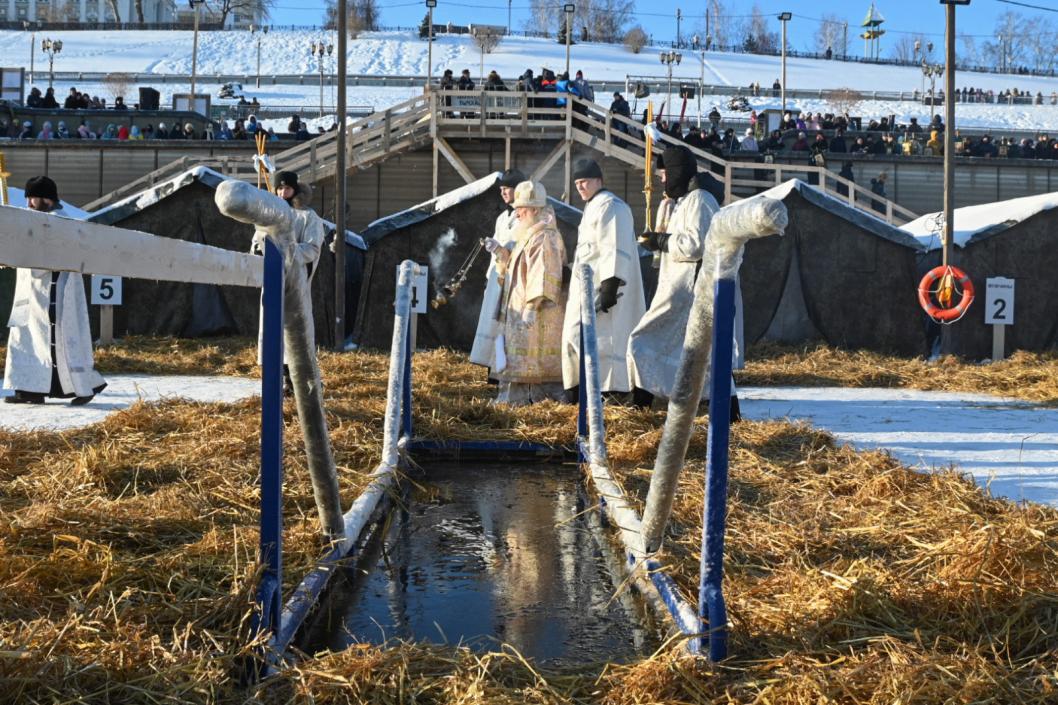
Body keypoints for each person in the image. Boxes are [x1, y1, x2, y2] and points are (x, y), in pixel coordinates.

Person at [628, 145, 739, 417]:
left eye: (664, 175)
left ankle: (639, 409)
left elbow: (697, 244)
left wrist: (662, 241)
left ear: (677, 172)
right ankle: (723, 413)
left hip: (689, 291)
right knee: (696, 357)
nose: (662, 181)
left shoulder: (700, 200)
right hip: (678, 288)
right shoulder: (684, 202)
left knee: (642, 342)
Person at [4, 177, 107, 405]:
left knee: (58, 340)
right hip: (33, 292)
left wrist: (13, 253)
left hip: (54, 291)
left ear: (46, 199)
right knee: (27, 338)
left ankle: (83, 387)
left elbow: (45, 257)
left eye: (32, 198)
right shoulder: (39, 219)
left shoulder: (57, 223)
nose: (29, 203)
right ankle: (29, 389)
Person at [561, 158, 646, 402]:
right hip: (586, 291)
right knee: (576, 338)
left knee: (607, 343)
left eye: (585, 181)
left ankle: (610, 396)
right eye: (577, 183)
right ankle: (579, 396)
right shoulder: (593, 206)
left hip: (607, 293)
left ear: (599, 180)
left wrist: (610, 284)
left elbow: (615, 246)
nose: (580, 187)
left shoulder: (612, 206)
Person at [485, 181, 567, 405]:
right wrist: (501, 253)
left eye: (521, 208)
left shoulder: (546, 236)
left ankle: (536, 403)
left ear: (535, 209)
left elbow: (545, 273)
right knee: (517, 358)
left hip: (537, 313)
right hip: (519, 310)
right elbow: (514, 266)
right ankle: (514, 400)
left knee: (534, 360)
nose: (517, 213)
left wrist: (532, 305)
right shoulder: (529, 234)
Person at [251, 171, 326, 392]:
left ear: (295, 190)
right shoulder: (266, 216)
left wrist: (287, 254)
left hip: (295, 282)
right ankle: (281, 377)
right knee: (273, 330)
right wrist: (262, 252)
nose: (283, 192)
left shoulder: (307, 217)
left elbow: (312, 248)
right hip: (273, 281)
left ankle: (301, 379)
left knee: (298, 330)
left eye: (287, 188)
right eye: (279, 188)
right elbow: (257, 243)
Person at [470, 168, 526, 375]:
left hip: (514, 278)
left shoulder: (526, 215)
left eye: (507, 189)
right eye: (502, 189)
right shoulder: (503, 217)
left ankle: (506, 370)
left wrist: (502, 249)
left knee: (507, 323)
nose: (503, 193)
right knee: (493, 323)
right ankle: (492, 369)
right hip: (497, 275)